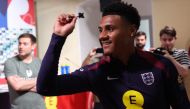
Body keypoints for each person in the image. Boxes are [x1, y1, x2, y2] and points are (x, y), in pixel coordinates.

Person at [37, 2, 190, 109]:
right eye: (100, 30)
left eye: (109, 29)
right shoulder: (96, 72)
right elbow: (45, 87)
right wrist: (58, 37)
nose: (102, 36)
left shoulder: (161, 65)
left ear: (131, 30)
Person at [4, 33, 45, 109]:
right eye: (19, 44)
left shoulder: (39, 62)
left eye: (25, 44)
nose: (21, 47)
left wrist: (23, 83)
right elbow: (17, 86)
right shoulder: (10, 63)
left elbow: (45, 86)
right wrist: (39, 80)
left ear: (33, 46)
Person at [155, 26, 190, 105]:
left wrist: (170, 58)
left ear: (175, 39)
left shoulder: (182, 52)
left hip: (177, 88)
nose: (167, 42)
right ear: (160, 39)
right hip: (160, 89)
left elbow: (184, 73)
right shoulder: (155, 54)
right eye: (164, 40)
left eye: (170, 39)